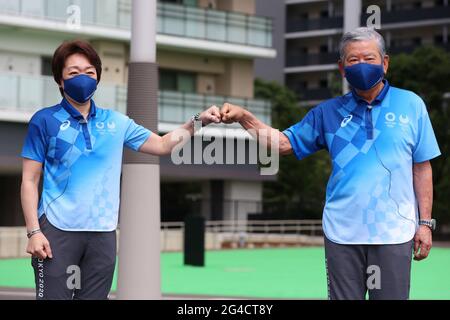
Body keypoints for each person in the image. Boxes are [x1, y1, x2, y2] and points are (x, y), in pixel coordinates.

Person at [219, 27, 441, 300]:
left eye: (369, 58)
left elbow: (422, 166)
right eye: (353, 60)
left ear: (385, 62)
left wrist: (425, 223)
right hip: (342, 233)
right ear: (341, 68)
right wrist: (245, 117)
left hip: (395, 232)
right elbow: (284, 144)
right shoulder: (328, 112)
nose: (361, 65)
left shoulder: (412, 105)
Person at [20, 40, 221, 300]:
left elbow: (161, 145)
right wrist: (34, 232)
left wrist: (198, 121)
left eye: (89, 72)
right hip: (57, 230)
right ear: (59, 80)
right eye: (73, 72)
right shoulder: (44, 120)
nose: (82, 78)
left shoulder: (116, 122)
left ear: (98, 78)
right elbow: (29, 180)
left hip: (103, 234)